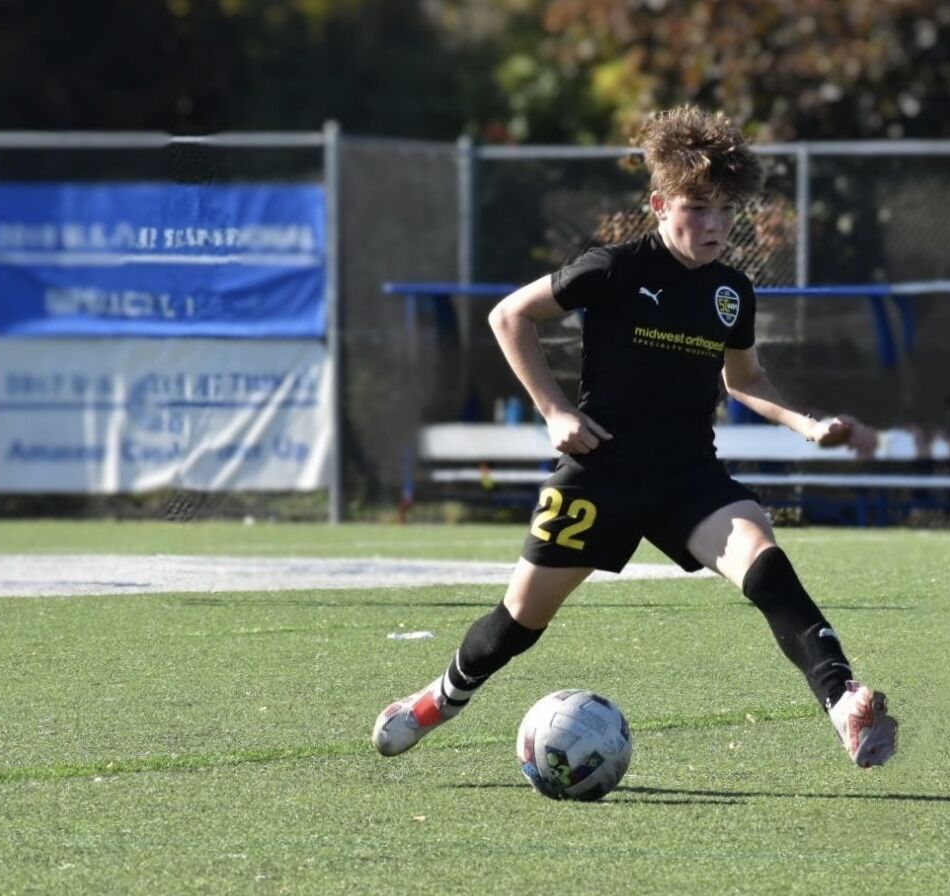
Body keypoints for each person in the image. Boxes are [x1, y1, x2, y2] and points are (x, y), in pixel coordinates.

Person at [372, 105, 897, 769]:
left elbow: (745, 379)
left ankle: (842, 699)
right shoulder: (613, 268)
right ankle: (436, 702)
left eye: (723, 210)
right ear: (658, 204)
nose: (711, 225)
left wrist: (807, 423)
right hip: (601, 470)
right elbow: (508, 316)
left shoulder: (730, 292)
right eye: (695, 208)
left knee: (762, 558)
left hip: (686, 476)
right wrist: (553, 410)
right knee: (517, 624)